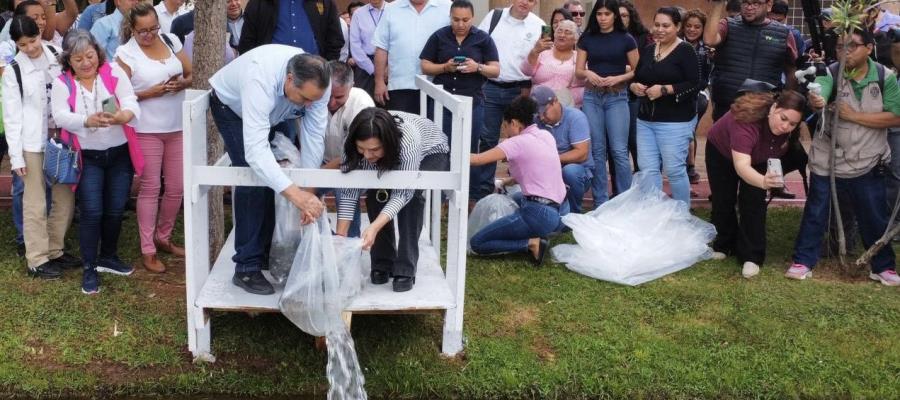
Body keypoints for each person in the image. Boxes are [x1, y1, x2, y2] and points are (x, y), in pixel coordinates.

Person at [208, 45, 329, 295]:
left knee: (274, 178)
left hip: (272, 113)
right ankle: (246, 267)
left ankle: (264, 252)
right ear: (290, 79)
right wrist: (298, 197)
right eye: (305, 98)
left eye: (313, 100)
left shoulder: (317, 87)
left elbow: (314, 136)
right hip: (232, 108)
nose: (308, 106)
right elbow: (255, 152)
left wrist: (308, 189)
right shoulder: (259, 77)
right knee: (253, 178)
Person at [787, 29, 900, 286]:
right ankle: (804, 260)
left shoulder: (885, 77)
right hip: (829, 158)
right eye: (840, 46)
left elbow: (896, 116)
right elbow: (821, 94)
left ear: (869, 48)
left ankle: (882, 265)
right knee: (816, 210)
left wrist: (853, 116)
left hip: (869, 158)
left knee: (873, 214)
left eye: (852, 46)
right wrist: (817, 99)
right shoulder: (831, 72)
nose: (844, 52)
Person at [51, 30, 144, 295]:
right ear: (69, 61)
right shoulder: (63, 83)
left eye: (90, 55)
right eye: (78, 59)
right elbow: (59, 116)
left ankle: (109, 256)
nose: (86, 63)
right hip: (88, 157)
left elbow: (130, 102)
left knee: (115, 208)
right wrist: (86, 121)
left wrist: (123, 115)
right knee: (92, 211)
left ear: (97, 52)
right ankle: (90, 267)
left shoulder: (113, 72)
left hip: (118, 154)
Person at [336, 108, 450, 292]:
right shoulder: (350, 143)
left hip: (431, 152)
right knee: (376, 194)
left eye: (373, 149)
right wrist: (340, 239)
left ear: (386, 142)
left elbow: (402, 193)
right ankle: (382, 262)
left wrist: (374, 227)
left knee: (411, 200)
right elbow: (349, 191)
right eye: (361, 149)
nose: (366, 155)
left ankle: (406, 266)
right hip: (394, 154)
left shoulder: (407, 142)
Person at [115, 2, 192, 273]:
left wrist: (181, 83)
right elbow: (117, 96)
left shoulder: (170, 40)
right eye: (143, 31)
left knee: (177, 186)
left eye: (153, 29)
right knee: (150, 187)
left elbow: (190, 73)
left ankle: (164, 236)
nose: (149, 35)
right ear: (132, 29)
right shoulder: (126, 53)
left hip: (176, 125)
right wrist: (150, 92)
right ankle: (147, 248)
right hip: (146, 128)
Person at [3, 16, 79, 279]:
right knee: (35, 201)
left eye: (33, 41)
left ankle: (55, 249)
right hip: (32, 144)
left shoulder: (58, 55)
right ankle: (36, 258)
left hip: (62, 137)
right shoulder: (13, 70)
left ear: (40, 35)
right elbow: (12, 117)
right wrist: (16, 157)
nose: (30, 48)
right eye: (23, 45)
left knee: (65, 196)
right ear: (16, 44)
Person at [706, 86, 805, 278]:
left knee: (753, 202)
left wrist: (765, 181)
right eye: (783, 118)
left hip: (760, 155)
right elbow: (742, 166)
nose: (785, 127)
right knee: (723, 198)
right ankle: (724, 244)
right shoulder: (746, 122)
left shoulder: (789, 130)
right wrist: (764, 181)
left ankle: (751, 256)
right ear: (774, 107)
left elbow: (786, 150)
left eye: (792, 124)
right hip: (722, 151)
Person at [469, 96, 566, 266]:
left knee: (477, 242)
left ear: (513, 123)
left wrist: (448, 151)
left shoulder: (516, 143)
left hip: (536, 213)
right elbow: (538, 169)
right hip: (556, 210)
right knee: (511, 199)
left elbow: (477, 160)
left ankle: (531, 243)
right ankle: (534, 232)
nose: (505, 133)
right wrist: (509, 181)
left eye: (505, 127)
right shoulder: (545, 135)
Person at [630, 7, 700, 206]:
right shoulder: (649, 49)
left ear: (677, 27)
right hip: (645, 120)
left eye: (666, 25)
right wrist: (634, 86)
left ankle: (681, 215)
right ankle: (654, 213)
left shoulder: (686, 51)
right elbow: (637, 76)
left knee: (674, 170)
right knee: (648, 169)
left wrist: (665, 89)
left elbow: (695, 84)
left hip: (675, 122)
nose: (660, 29)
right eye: (657, 25)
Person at [474, 0, 542, 199]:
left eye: (530, 0)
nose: (525, 2)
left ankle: (520, 190)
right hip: (491, 87)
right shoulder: (494, 17)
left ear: (535, 3)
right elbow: (478, 44)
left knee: (522, 141)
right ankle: (484, 192)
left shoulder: (538, 25)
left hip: (520, 90)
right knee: (487, 139)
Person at [576, 0, 638, 207]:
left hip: (617, 96)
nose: (602, 18)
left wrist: (618, 78)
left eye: (607, 14)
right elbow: (578, 70)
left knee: (619, 150)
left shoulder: (626, 39)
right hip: (592, 97)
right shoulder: (587, 38)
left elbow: (638, 70)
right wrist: (588, 72)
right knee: (597, 150)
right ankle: (600, 201)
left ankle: (625, 201)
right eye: (599, 14)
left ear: (615, 16)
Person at [419, 0, 499, 152]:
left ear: (473, 18)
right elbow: (425, 66)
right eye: (456, 20)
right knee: (438, 147)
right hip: (442, 102)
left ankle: (469, 177)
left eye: (465, 20)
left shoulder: (483, 39)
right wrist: (445, 67)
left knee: (468, 148)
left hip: (472, 102)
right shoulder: (439, 36)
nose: (460, 25)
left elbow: (495, 70)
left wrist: (478, 67)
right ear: (450, 17)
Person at [703, 0, 799, 122]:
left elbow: (791, 71)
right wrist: (718, 5)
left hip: (765, 109)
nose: (749, 7)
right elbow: (710, 40)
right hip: (727, 107)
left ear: (769, 5)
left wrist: (786, 102)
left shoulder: (784, 34)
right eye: (745, 3)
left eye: (756, 3)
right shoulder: (727, 25)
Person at [320, 60, 371, 237]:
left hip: (353, 163)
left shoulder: (362, 104)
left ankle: (349, 245)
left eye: (339, 97)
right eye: (327, 96)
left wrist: (321, 172)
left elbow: (354, 153)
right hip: (319, 158)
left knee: (346, 193)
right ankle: (322, 238)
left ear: (352, 87)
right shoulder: (312, 95)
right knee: (305, 196)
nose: (332, 102)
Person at [372, 0, 450, 113]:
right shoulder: (392, 9)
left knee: (433, 130)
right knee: (403, 129)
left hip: (438, 86)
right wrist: (379, 81)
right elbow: (381, 48)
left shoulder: (446, 7)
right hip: (400, 86)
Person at [530, 85, 591, 213]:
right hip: (548, 170)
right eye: (538, 113)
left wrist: (551, 160)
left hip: (577, 171)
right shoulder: (536, 121)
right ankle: (543, 211)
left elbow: (582, 154)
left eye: (544, 112)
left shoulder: (576, 117)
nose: (541, 117)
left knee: (570, 171)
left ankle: (574, 213)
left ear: (555, 102)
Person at [238, 0, 344, 60]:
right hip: (271, 74)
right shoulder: (260, 3)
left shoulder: (325, 2)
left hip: (313, 75)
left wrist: (327, 67)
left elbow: (335, 40)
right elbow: (247, 42)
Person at [522, 20, 583, 108]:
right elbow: (526, 71)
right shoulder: (542, 52)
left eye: (567, 32)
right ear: (554, 34)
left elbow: (585, 81)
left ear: (575, 39)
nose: (562, 35)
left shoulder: (579, 57)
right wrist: (534, 51)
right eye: (559, 31)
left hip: (568, 107)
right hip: (539, 106)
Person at [682, 8, 712, 185]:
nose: (692, 30)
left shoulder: (708, 49)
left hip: (699, 93)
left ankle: (690, 166)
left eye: (697, 27)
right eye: (689, 26)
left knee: (689, 127)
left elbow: (707, 76)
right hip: (676, 91)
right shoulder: (676, 43)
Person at [347, 0, 384, 97]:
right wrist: (373, 70)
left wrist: (388, 68)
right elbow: (355, 45)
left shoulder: (393, 10)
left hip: (390, 65)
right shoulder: (358, 14)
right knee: (364, 103)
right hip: (365, 65)